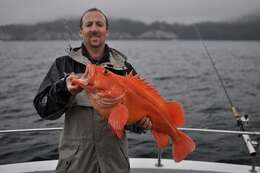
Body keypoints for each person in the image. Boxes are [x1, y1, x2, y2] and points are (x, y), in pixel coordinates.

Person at [33, 8, 152, 173]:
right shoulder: (63, 65)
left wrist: (140, 123)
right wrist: (63, 89)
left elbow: (133, 121)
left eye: (99, 24)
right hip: (75, 165)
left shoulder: (124, 68)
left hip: (115, 165)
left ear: (106, 31)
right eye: (88, 25)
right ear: (81, 32)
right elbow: (43, 108)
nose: (94, 28)